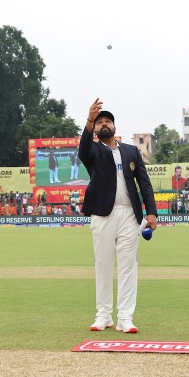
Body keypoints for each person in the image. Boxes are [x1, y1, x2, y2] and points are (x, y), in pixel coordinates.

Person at [79, 99, 157, 334]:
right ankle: (103, 315)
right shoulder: (92, 150)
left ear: (114, 126)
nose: (104, 124)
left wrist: (151, 211)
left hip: (129, 215)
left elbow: (144, 182)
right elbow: (82, 148)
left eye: (107, 121)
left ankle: (125, 317)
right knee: (103, 264)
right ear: (95, 128)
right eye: (99, 122)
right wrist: (89, 119)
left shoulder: (131, 151)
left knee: (127, 266)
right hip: (102, 213)